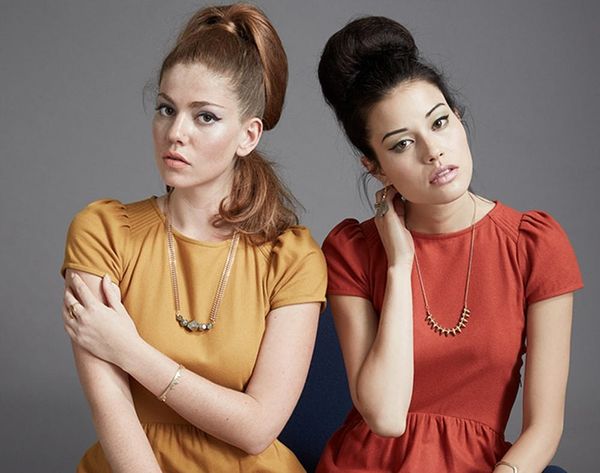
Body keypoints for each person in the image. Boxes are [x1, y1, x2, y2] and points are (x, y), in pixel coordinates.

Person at [60, 4, 326, 472]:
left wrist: (129, 350)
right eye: (166, 109)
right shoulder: (103, 232)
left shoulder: (291, 257)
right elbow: (110, 406)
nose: (175, 133)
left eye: (204, 117)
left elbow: (257, 427)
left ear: (248, 136)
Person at [315, 16, 582, 473]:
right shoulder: (352, 251)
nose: (433, 151)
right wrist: (399, 264)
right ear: (374, 167)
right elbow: (385, 416)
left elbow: (544, 428)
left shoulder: (533, 245)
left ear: (458, 118)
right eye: (402, 145)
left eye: (439, 123)